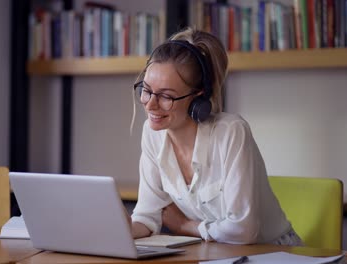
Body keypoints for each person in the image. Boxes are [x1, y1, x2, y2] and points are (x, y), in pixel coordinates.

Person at [129, 27, 303, 246]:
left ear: (197, 96)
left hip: (272, 253)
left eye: (166, 96)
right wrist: (123, 229)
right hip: (215, 252)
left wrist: (186, 226)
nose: (150, 104)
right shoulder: (152, 134)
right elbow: (148, 215)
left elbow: (244, 229)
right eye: (146, 90)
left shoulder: (231, 133)